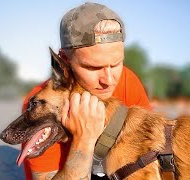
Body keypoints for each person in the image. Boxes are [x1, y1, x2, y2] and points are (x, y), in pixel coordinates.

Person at [21, 2, 151, 180]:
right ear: (65, 60)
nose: (109, 80)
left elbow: (148, 156)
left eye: (116, 64)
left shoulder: (128, 81)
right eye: (93, 67)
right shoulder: (44, 104)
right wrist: (84, 140)